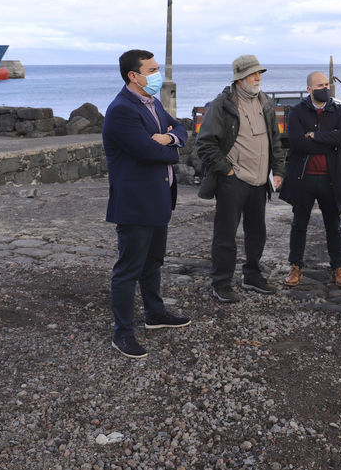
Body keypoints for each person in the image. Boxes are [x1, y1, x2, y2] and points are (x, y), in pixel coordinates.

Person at [102, 49, 191, 359]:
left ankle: (155, 314)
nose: (157, 75)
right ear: (133, 76)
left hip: (159, 199)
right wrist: (171, 147)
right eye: (152, 70)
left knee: (153, 263)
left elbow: (181, 130)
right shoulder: (121, 110)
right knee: (128, 270)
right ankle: (122, 333)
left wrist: (167, 138)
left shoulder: (152, 102)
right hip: (136, 203)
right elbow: (146, 152)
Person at [196, 54, 285, 303]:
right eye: (253, 74)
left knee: (257, 233)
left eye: (260, 73)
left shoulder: (265, 103)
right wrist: (227, 170)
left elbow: (274, 141)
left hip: (259, 182)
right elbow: (205, 144)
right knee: (225, 235)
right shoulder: (222, 105)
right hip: (233, 181)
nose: (259, 78)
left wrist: (278, 170)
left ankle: (252, 276)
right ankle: (222, 282)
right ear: (239, 78)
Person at [280, 71, 341, 288]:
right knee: (298, 225)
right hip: (304, 178)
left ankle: (338, 269)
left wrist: (315, 136)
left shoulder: (339, 111)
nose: (326, 88)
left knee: (334, 226)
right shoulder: (297, 112)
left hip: (332, 179)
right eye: (320, 85)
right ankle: (295, 268)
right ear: (309, 89)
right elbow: (297, 143)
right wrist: (328, 143)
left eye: (327, 84)